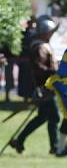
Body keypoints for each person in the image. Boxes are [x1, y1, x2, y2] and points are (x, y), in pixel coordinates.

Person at [10, 16, 60, 155]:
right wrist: (55, 72)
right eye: (50, 32)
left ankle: (19, 140)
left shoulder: (42, 45)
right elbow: (39, 69)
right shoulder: (40, 47)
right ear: (45, 32)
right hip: (44, 88)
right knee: (54, 117)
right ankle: (55, 147)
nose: (52, 35)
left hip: (46, 88)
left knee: (43, 117)